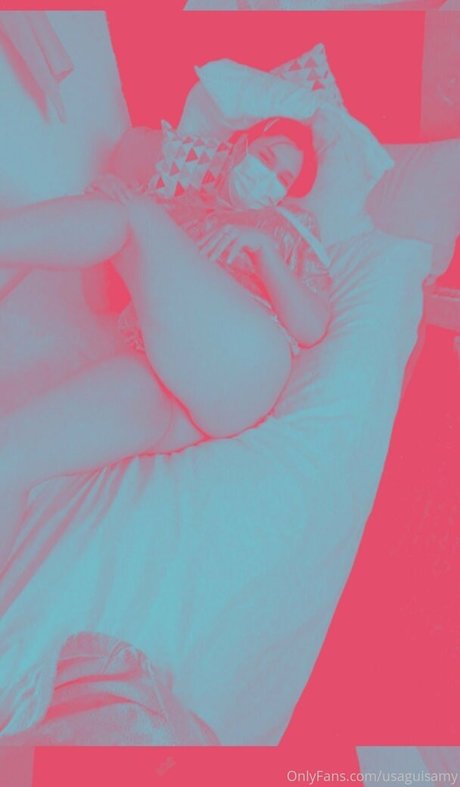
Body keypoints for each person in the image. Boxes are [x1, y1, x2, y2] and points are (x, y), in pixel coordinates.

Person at [0, 116, 332, 568]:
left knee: (129, 209)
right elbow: (100, 301)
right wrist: (105, 214)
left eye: (283, 178)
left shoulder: (289, 225)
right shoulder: (176, 208)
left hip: (245, 362)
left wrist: (263, 249)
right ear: (240, 146)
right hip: (170, 394)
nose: (269, 178)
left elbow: (312, 326)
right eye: (266, 157)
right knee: (11, 455)